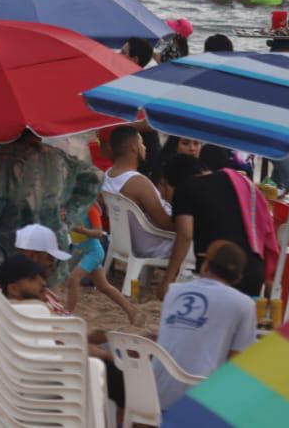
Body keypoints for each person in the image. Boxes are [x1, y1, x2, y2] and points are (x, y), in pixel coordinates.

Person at [0, 131, 102, 280]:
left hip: (14, 246)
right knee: (40, 298)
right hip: (52, 244)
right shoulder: (56, 156)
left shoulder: (11, 156)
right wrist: (68, 213)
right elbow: (93, 178)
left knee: (14, 295)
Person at [153, 240, 257, 410]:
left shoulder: (173, 291)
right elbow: (238, 364)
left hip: (155, 394)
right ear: (238, 278)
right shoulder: (244, 305)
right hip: (199, 403)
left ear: (206, 266)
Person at [161, 153, 270, 299]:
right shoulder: (235, 180)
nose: (166, 196)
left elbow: (185, 234)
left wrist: (168, 280)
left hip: (219, 273)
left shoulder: (185, 188)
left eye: (164, 188)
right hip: (254, 273)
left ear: (171, 183)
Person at [101, 125, 175, 259]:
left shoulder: (107, 177)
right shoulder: (138, 182)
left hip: (126, 243)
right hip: (155, 246)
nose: (145, 147)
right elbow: (165, 223)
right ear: (133, 147)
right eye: (141, 143)